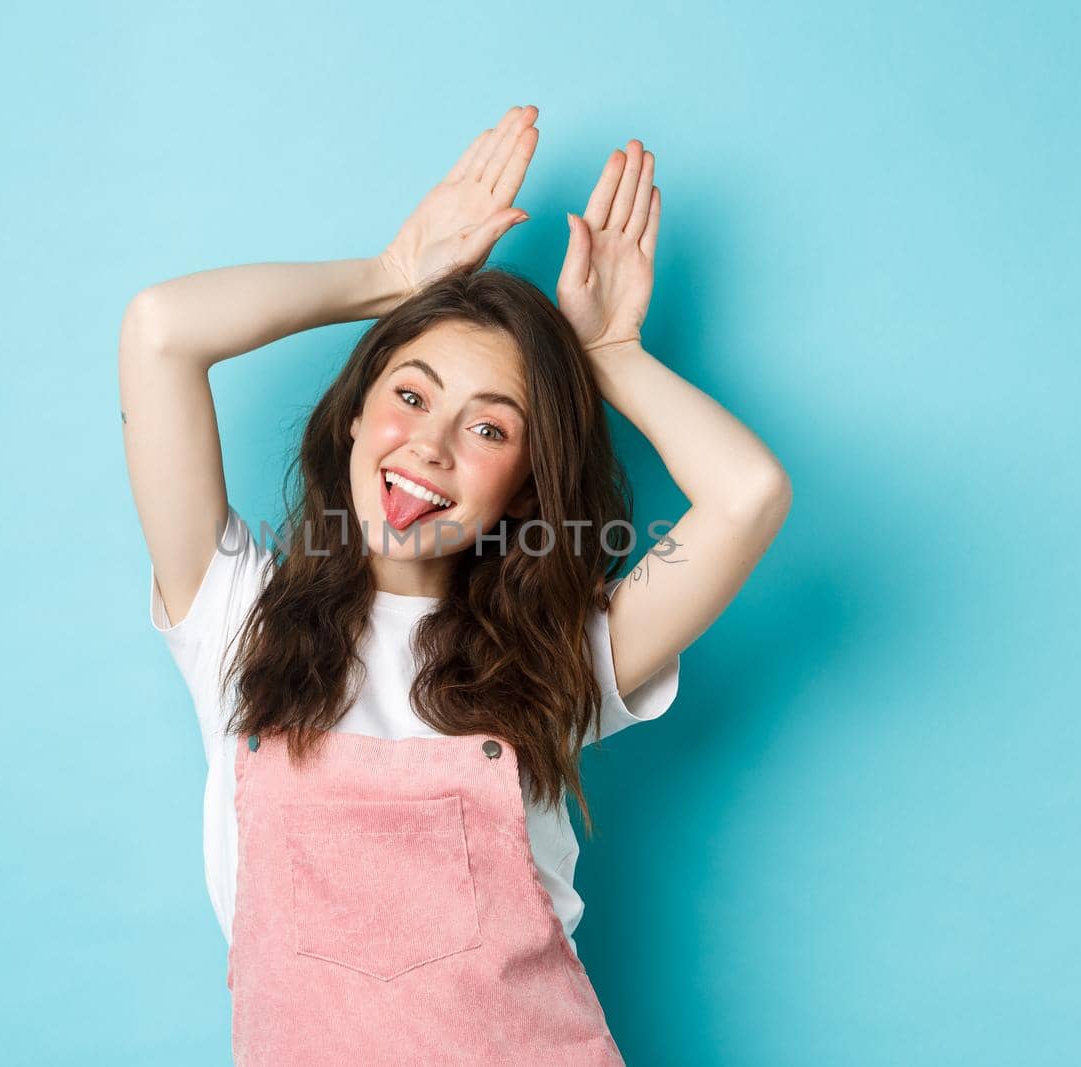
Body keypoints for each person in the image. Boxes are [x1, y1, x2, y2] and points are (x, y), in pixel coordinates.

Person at [119, 104, 791, 1065]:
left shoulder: (566, 653)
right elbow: (159, 331)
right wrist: (388, 280)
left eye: (488, 428)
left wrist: (608, 357)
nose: (428, 445)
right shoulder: (234, 616)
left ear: (525, 483)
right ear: (353, 418)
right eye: (410, 395)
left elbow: (748, 494)